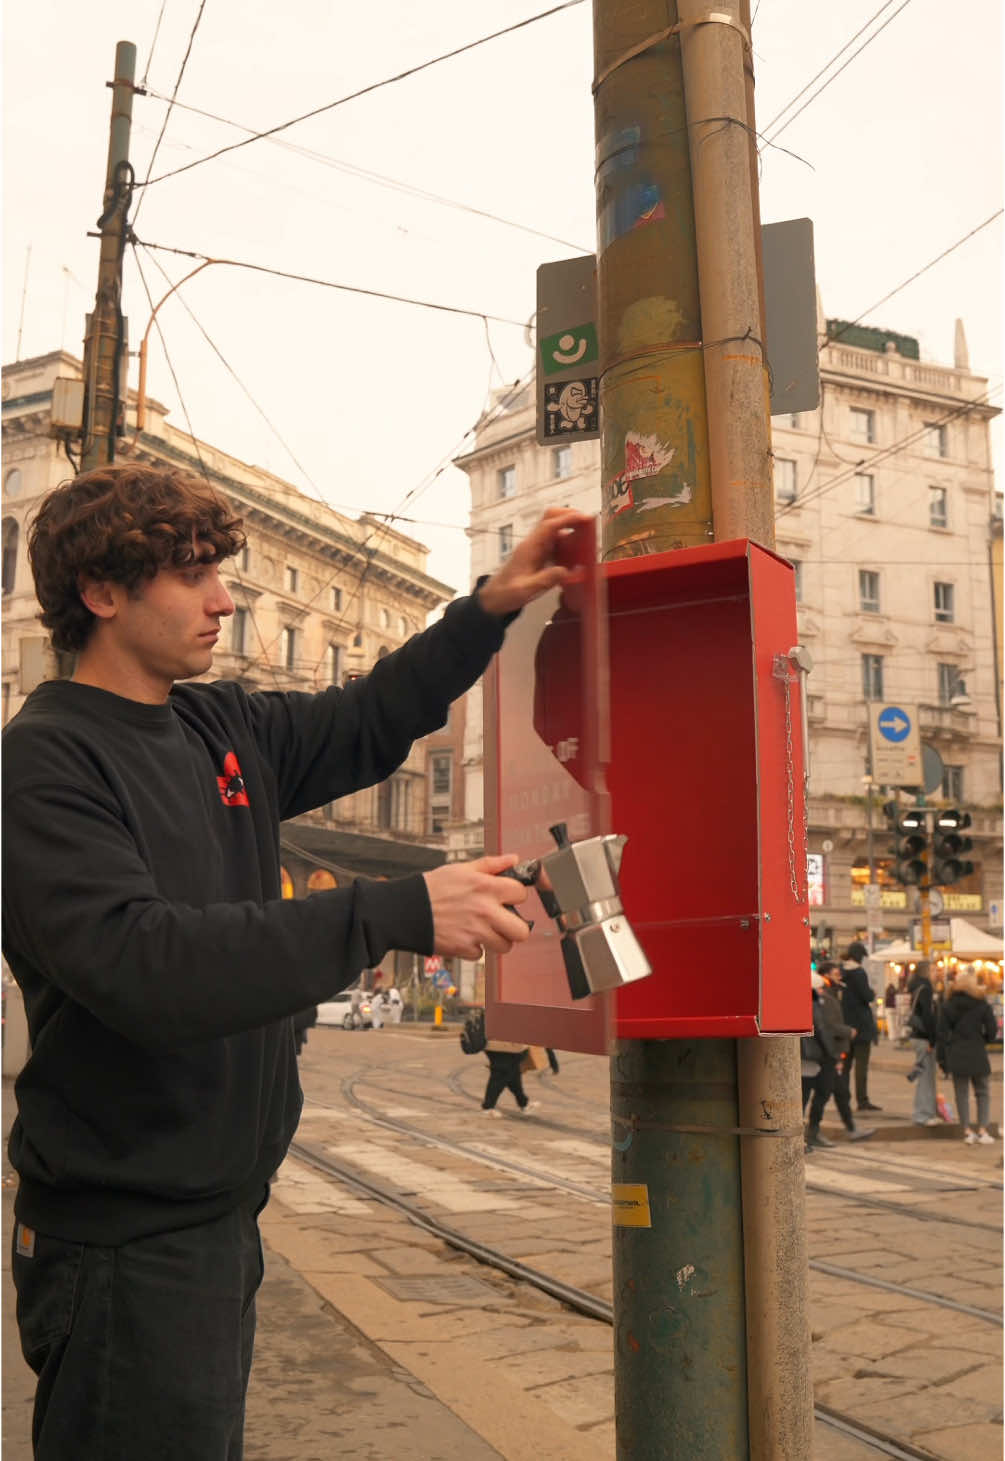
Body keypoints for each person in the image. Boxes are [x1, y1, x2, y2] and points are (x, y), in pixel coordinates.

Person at [2, 462, 586, 1460]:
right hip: (124, 1243)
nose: (225, 601)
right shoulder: (45, 762)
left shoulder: (219, 726)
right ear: (102, 594)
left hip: (216, 1218)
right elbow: (141, 964)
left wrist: (489, 608)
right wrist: (391, 912)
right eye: (192, 576)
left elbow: (369, 716)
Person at [804, 963, 875, 1148]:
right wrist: (840, 1044)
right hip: (824, 1056)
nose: (839, 977)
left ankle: (828, 1131)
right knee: (820, 1095)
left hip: (827, 1055)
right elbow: (824, 1028)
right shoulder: (820, 1000)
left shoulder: (833, 995)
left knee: (836, 1093)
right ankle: (811, 1134)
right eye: (835, 974)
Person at [936, 972, 999, 1144]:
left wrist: (943, 1057)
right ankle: (983, 1130)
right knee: (983, 1092)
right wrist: (983, 1040)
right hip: (977, 1051)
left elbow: (941, 1034)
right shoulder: (982, 1004)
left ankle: (966, 1130)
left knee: (961, 1094)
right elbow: (993, 1031)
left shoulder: (948, 1005)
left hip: (957, 1052)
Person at [840, 941, 881, 1112]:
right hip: (862, 1027)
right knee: (861, 1066)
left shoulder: (841, 972)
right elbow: (867, 996)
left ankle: (843, 1100)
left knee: (845, 1067)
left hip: (845, 1026)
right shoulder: (859, 973)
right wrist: (873, 993)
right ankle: (862, 1100)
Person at [905, 961, 941, 1127]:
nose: (937, 973)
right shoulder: (925, 988)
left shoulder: (916, 986)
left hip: (918, 1036)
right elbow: (928, 1016)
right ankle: (923, 1114)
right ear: (926, 972)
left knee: (925, 1075)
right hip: (923, 1037)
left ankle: (929, 1112)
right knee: (926, 1077)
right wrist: (932, 1040)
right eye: (933, 970)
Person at [481, 1038, 538, 1116]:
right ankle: (488, 1107)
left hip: (499, 1046)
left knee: (513, 1076)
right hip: (507, 1047)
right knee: (499, 1077)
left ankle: (524, 1104)